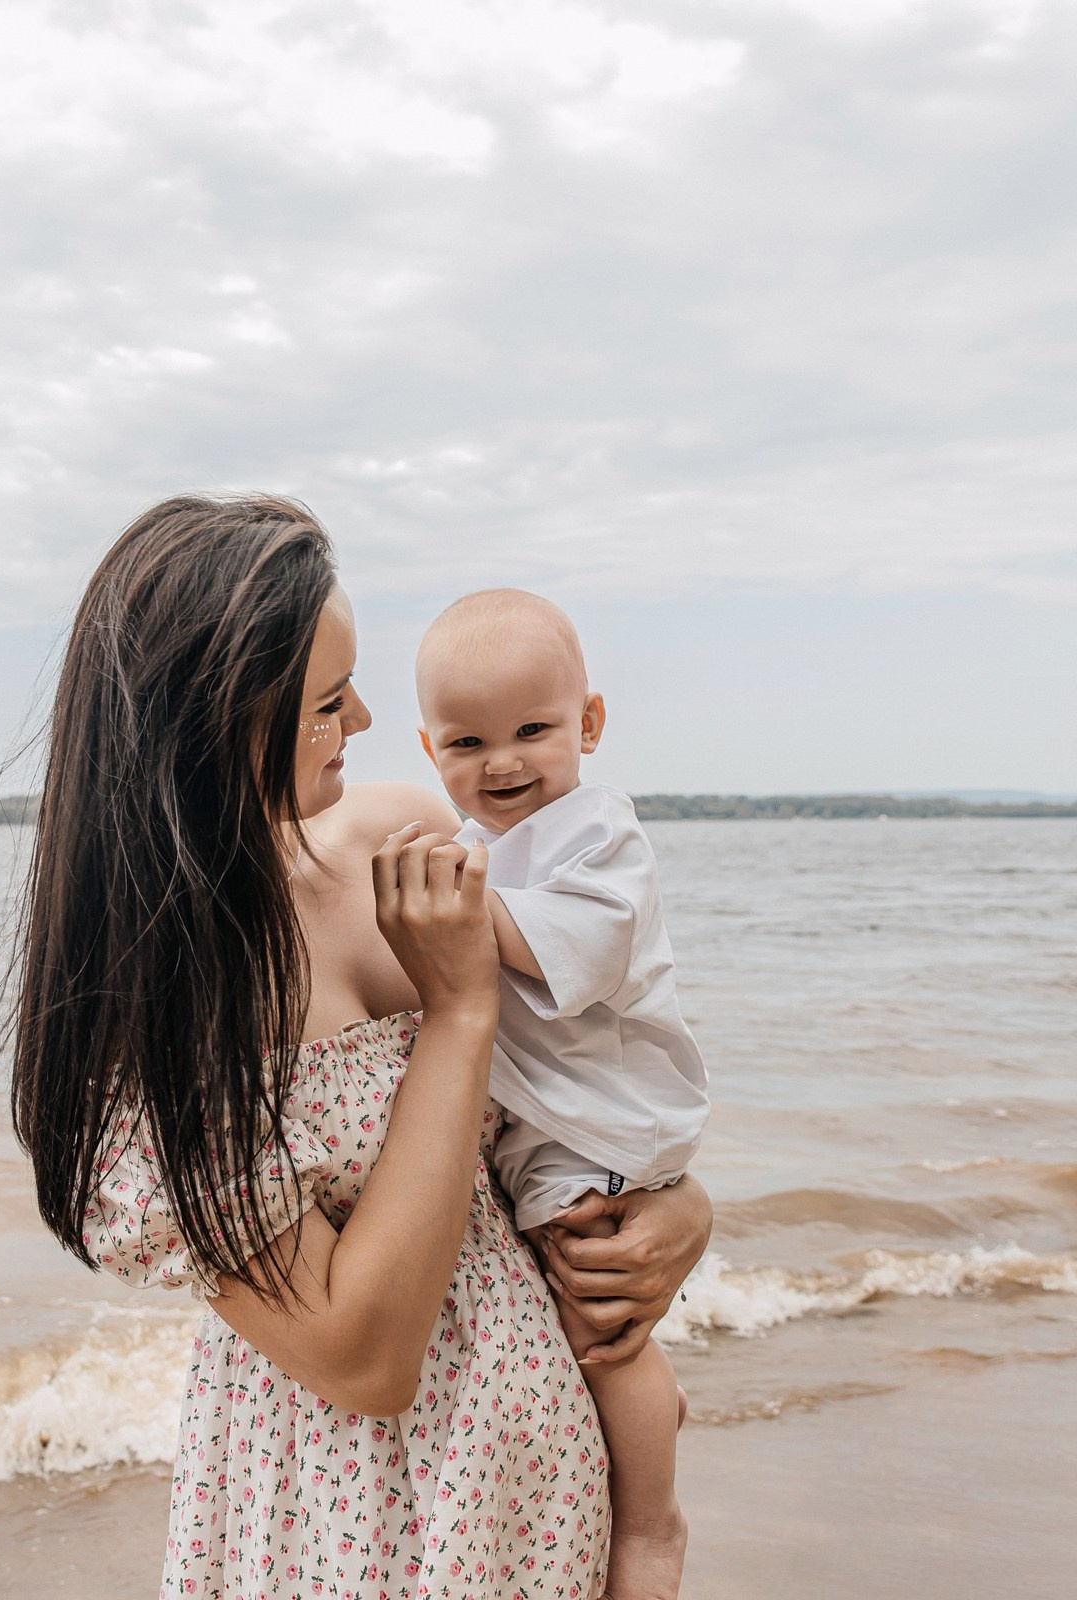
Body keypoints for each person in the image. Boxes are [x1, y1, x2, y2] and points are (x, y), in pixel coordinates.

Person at [11, 494, 715, 1599]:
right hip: (340, 1519)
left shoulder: (399, 844)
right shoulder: (148, 1030)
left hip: (536, 1481)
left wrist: (674, 1209)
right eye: (331, 701)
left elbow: (597, 1042)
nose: (373, 720)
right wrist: (460, 1012)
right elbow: (367, 1358)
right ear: (224, 722)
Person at [416, 588, 712, 1600]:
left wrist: (447, 903)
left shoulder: (599, 838)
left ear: (588, 722)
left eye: (533, 731)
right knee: (587, 1310)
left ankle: (651, 1529)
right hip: (562, 1120)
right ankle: (649, 1408)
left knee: (599, 1320)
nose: (502, 762)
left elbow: (572, 942)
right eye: (468, 740)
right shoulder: (473, 839)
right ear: (430, 749)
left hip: (608, 1124)